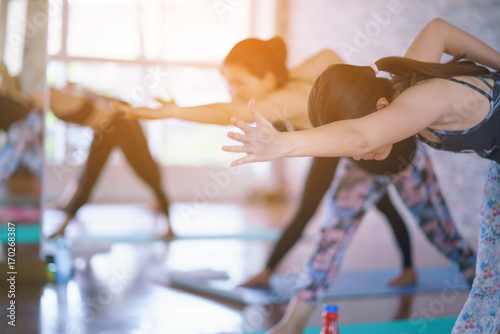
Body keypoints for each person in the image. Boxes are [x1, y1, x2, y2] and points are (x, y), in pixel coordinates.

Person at [223, 18, 500, 333]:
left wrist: (283, 144)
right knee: (331, 236)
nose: (354, 155)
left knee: (455, 247)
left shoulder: (421, 100)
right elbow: (438, 30)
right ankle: (293, 323)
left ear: (382, 108)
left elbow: (361, 137)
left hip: (410, 166)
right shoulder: (399, 81)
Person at [116, 37, 434, 285]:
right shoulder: (291, 80)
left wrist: (174, 111)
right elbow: (327, 56)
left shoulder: (280, 99)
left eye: (240, 82)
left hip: (376, 150)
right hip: (338, 147)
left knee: (393, 206)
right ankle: (271, 270)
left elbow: (225, 114)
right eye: (229, 81)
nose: (232, 90)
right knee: (336, 207)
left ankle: (409, 267)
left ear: (267, 76)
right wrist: (282, 79)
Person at [30, 85, 174, 238]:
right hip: (103, 129)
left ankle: (169, 224)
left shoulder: (59, 97)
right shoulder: (57, 99)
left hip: (122, 122)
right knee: (89, 178)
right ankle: (64, 225)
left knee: (147, 172)